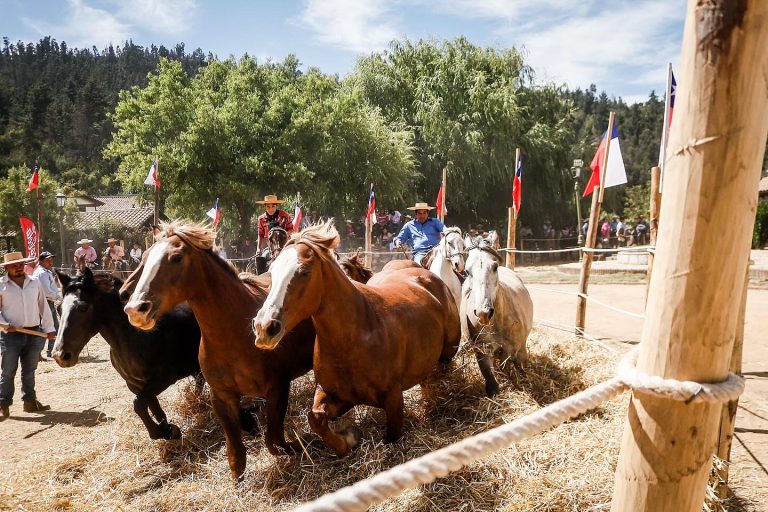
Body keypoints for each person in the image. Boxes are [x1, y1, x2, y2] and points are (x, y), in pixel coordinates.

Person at [0, 252, 57, 420]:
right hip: (10, 335)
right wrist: (4, 324)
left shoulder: (35, 282)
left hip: (34, 332)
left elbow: (43, 306)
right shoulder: (1, 285)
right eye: (14, 265)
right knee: (8, 371)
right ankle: (3, 404)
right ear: (6, 268)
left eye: (20, 264)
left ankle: (30, 402)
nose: (18, 267)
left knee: (29, 370)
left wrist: (49, 328)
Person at [393, 201, 445, 266]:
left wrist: (449, 233)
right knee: (418, 266)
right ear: (416, 214)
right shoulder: (409, 226)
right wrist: (397, 242)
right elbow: (398, 239)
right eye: (420, 213)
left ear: (427, 213)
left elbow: (446, 230)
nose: (422, 215)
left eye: (424, 213)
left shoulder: (435, 222)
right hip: (420, 254)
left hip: (437, 251)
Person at [31, 251, 61, 358]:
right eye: (48, 260)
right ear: (41, 261)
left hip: (48, 302)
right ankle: (38, 353)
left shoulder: (46, 271)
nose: (50, 261)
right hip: (45, 302)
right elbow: (46, 291)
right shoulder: (42, 273)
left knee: (54, 327)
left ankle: (50, 350)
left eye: (51, 259)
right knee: (46, 328)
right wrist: (59, 297)